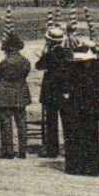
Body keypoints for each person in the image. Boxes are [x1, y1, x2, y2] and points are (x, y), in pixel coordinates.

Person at [61, 37, 99, 176]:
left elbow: (65, 87)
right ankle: (92, 167)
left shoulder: (71, 67)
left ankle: (75, 166)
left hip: (75, 105)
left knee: (74, 136)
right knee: (91, 136)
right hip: (92, 106)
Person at [0, 33, 31, 158]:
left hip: (6, 93)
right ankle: (23, 150)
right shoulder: (25, 61)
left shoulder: (5, 62)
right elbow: (25, 74)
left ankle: (8, 151)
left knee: (6, 123)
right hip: (21, 92)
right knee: (21, 122)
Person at [36, 25, 72, 157]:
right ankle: (69, 148)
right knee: (66, 121)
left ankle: (52, 149)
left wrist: (44, 52)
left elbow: (39, 65)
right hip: (64, 91)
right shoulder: (67, 53)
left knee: (51, 122)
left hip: (50, 92)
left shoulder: (49, 54)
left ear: (50, 41)